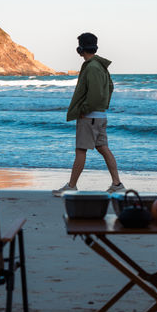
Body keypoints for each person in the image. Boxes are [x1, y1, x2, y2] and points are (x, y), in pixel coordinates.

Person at [52, 32, 124, 196]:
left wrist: (84, 109)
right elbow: (109, 88)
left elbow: (95, 94)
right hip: (99, 116)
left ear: (80, 48)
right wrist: (101, 106)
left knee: (80, 150)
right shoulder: (100, 66)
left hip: (90, 117)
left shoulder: (92, 67)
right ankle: (117, 184)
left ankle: (71, 185)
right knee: (103, 148)